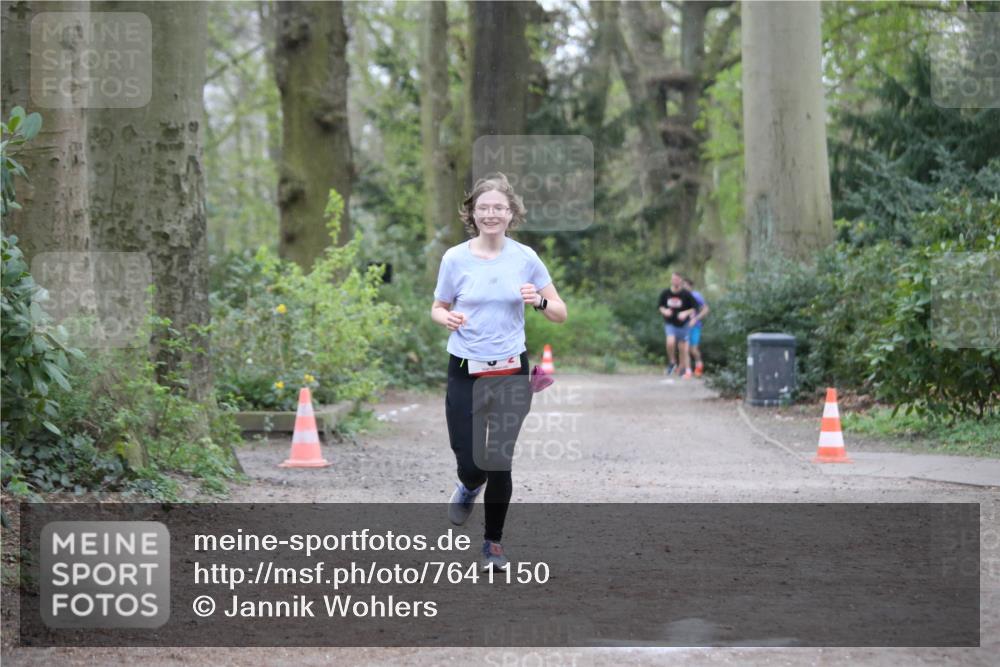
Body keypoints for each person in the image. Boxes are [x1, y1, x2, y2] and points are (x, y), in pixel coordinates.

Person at [430, 172, 567, 571]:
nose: (491, 214)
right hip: (464, 369)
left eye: (499, 208)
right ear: (473, 212)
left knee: (498, 460)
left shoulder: (525, 258)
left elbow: (560, 312)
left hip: (510, 369)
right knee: (471, 463)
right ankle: (468, 485)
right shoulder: (454, 258)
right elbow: (437, 305)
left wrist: (539, 302)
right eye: (483, 207)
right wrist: (446, 318)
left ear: (511, 214)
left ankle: (493, 544)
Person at [658, 272, 697, 379]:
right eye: (673, 279)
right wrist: (665, 311)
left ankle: (682, 368)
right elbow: (660, 306)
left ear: (680, 281)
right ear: (671, 280)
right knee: (670, 341)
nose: (675, 281)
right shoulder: (665, 293)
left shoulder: (686, 294)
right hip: (670, 323)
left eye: (677, 279)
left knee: (682, 348)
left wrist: (685, 313)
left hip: (683, 325)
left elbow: (694, 308)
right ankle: (672, 362)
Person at [683, 276, 710, 377]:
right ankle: (688, 371)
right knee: (685, 348)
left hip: (695, 326)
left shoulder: (696, 296)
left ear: (690, 286)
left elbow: (706, 309)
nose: (683, 287)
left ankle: (699, 366)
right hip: (684, 326)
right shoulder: (681, 297)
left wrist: (696, 319)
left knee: (693, 349)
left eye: (685, 285)